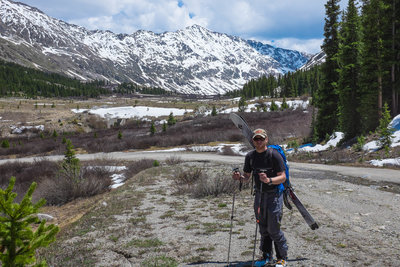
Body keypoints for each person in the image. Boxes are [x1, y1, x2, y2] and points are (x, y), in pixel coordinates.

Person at [232, 128, 288, 267]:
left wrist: (268, 180)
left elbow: (283, 177)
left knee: (274, 229)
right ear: (253, 141)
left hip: (274, 195)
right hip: (259, 195)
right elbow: (247, 177)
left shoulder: (274, 155)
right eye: (256, 139)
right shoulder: (250, 156)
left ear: (266, 140)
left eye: (261, 139)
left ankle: (282, 258)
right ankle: (266, 256)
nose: (258, 141)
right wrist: (239, 178)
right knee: (263, 228)